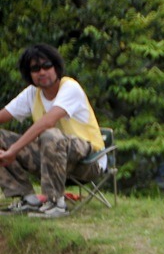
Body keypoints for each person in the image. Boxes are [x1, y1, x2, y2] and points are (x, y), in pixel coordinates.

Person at [0, 43, 106, 217]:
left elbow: (48, 122)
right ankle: (27, 199)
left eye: (46, 66)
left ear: (56, 67)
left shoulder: (70, 88)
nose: (42, 72)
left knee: (49, 135)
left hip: (88, 161)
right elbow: (3, 115)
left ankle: (55, 202)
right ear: (29, 74)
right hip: (51, 161)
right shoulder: (32, 94)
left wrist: (13, 150)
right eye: (35, 68)